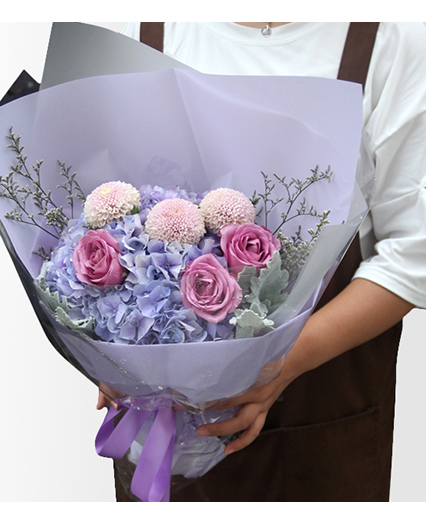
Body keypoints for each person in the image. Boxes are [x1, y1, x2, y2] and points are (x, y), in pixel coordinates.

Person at [99, 22, 426, 501]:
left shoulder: (390, 38)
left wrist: (280, 364)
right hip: (159, 427)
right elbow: (97, 213)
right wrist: (111, 350)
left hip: (320, 411)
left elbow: (414, 251)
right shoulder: (138, 27)